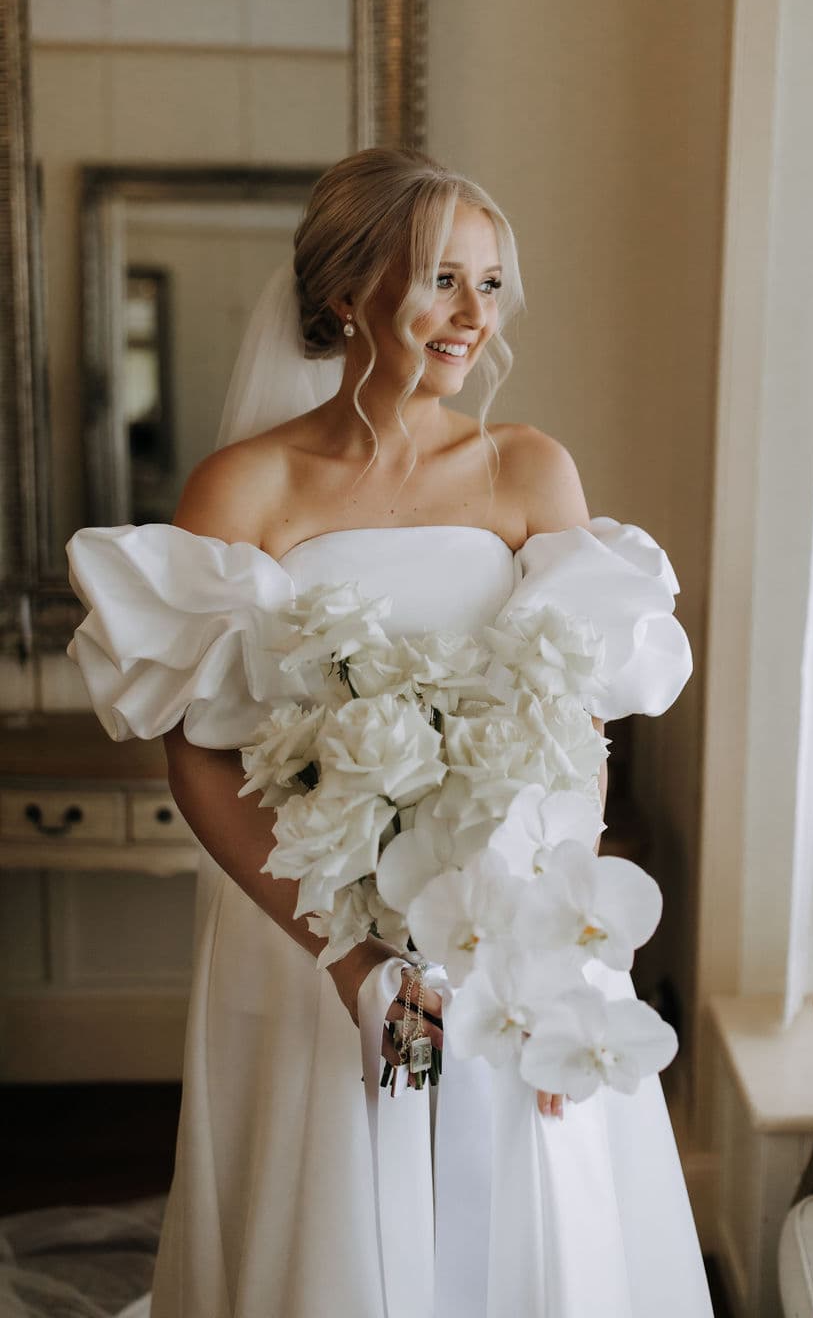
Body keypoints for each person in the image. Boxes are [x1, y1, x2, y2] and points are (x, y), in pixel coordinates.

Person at [66, 147, 714, 1318]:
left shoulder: (529, 468)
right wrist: (351, 957)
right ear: (344, 295)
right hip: (309, 929)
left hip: (507, 915)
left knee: (530, 1208)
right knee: (339, 1224)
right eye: (439, 280)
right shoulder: (245, 490)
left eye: (491, 283)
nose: (474, 316)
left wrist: (552, 960)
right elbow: (200, 755)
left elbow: (573, 736)